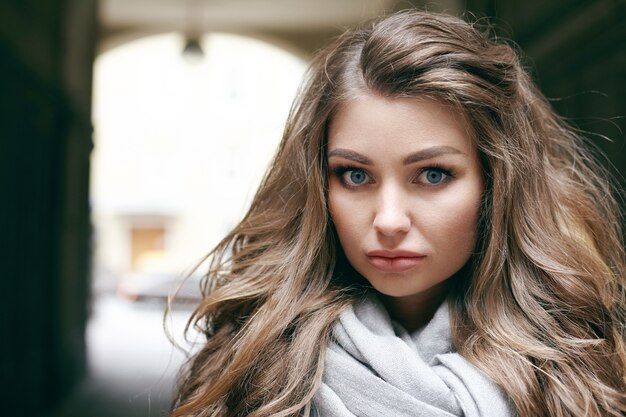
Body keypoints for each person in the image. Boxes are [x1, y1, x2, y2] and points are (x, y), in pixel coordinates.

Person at [169, 10, 626, 417]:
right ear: (318, 186)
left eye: (431, 175)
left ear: (497, 183)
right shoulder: (253, 362)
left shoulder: (575, 364)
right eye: (354, 175)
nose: (389, 221)